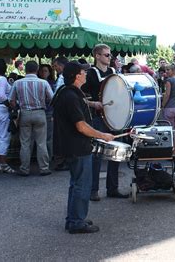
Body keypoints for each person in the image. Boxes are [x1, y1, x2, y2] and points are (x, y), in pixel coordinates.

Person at [53, 61, 115, 234]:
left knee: (76, 184)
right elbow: (81, 126)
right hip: (77, 146)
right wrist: (103, 135)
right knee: (82, 185)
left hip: (72, 146)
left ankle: (74, 218)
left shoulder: (68, 92)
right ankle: (76, 222)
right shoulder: (71, 96)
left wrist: (92, 103)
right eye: (83, 72)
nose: (86, 74)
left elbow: (78, 105)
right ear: (77, 75)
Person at [82, 44, 128, 200]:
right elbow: (79, 95)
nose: (110, 58)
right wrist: (93, 103)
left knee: (116, 153)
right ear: (97, 56)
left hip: (115, 118)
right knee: (97, 155)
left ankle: (112, 188)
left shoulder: (113, 72)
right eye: (107, 55)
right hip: (98, 117)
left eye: (110, 55)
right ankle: (93, 190)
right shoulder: (90, 73)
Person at [9, 60, 54, 176]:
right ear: (37, 69)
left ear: (25, 69)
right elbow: (52, 98)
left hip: (24, 114)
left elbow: (11, 101)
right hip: (40, 113)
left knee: (25, 143)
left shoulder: (18, 83)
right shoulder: (43, 83)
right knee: (41, 142)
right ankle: (44, 168)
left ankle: (24, 169)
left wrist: (17, 107)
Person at [0, 59, 15, 174]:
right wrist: (9, 105)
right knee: (3, 136)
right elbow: (2, 95)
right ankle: (3, 163)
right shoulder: (2, 79)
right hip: (2, 109)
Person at [161, 64, 175, 156]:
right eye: (165, 70)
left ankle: (173, 152)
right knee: (173, 131)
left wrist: (162, 105)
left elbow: (167, 94)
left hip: (170, 108)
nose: (166, 71)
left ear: (173, 71)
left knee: (169, 131)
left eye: (168, 70)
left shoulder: (169, 81)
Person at [38, 64, 56, 161]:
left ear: (49, 72)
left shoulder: (53, 83)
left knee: (49, 137)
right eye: (41, 71)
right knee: (40, 137)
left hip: (49, 112)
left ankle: (49, 156)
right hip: (41, 111)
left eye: (45, 71)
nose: (43, 73)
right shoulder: (38, 82)